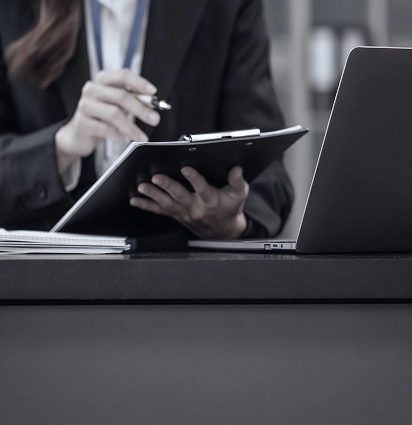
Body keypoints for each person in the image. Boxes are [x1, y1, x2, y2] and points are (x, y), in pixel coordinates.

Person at [0, 0, 293, 243]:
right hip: (40, 279)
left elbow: (269, 174)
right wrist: (62, 145)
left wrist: (231, 223)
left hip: (181, 279)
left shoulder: (228, 6)